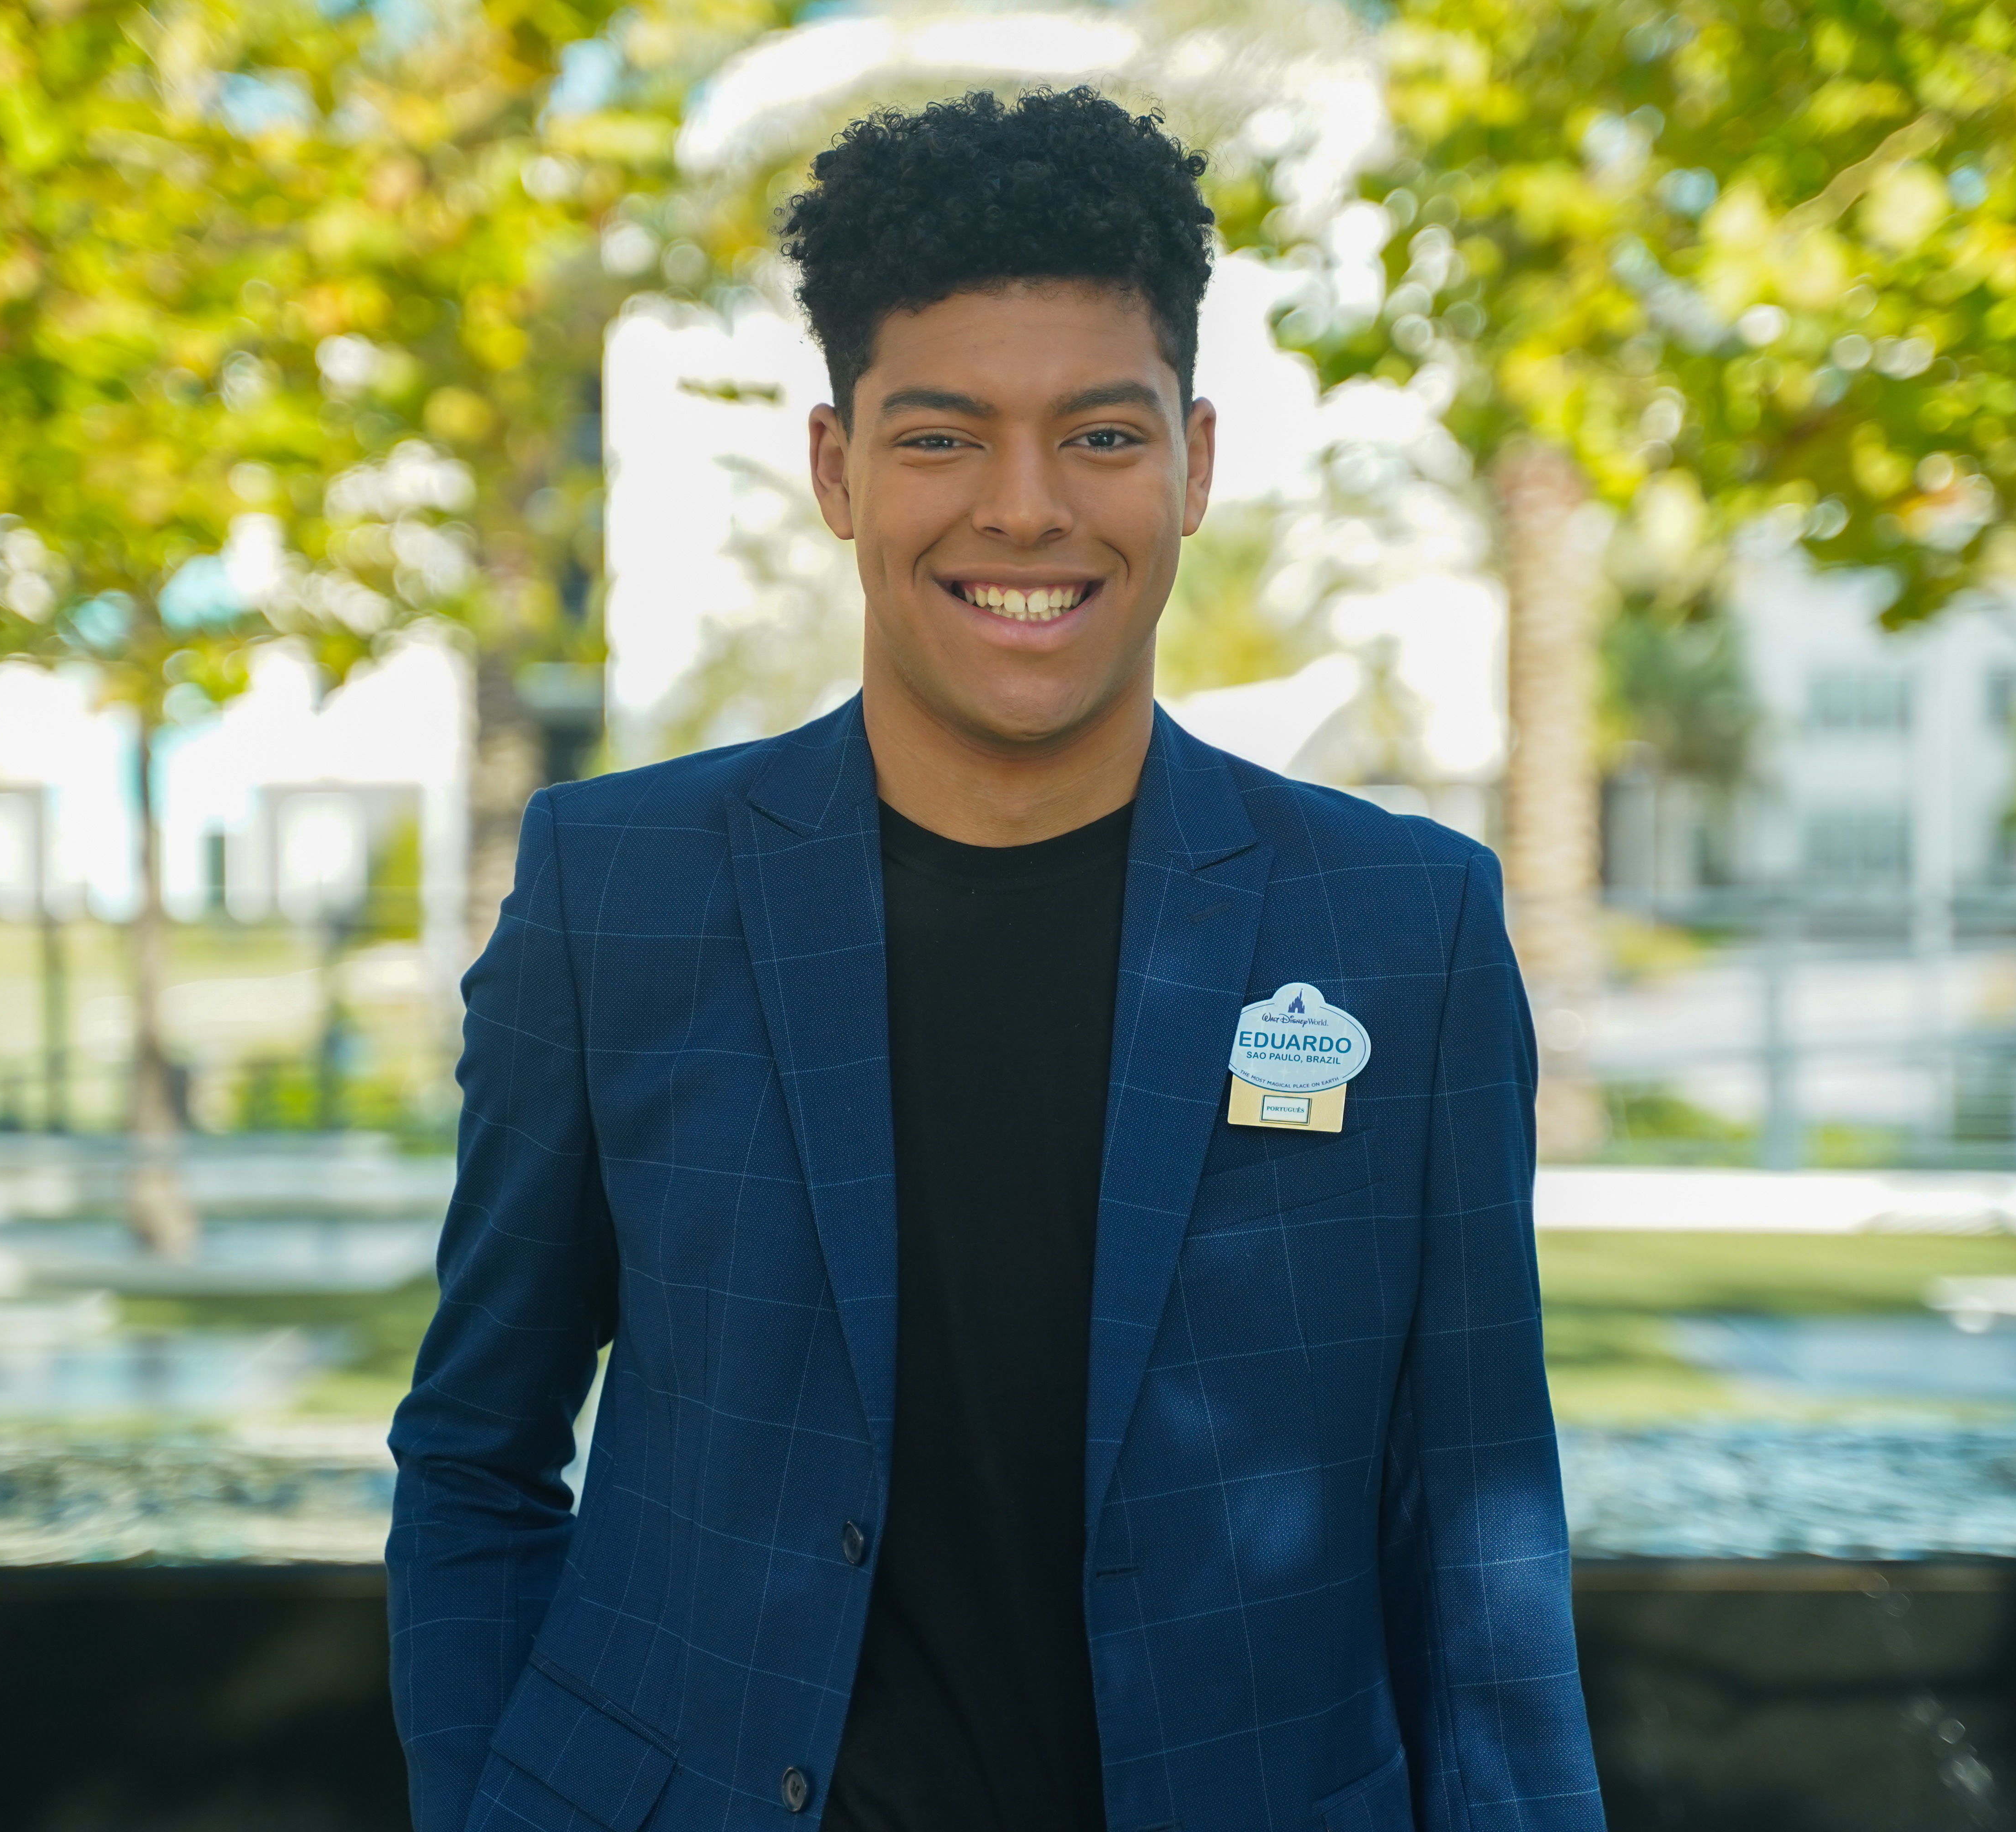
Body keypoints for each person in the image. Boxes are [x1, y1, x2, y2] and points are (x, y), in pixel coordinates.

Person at [387, 87, 1603, 1832]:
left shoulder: (1401, 931)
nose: (1025, 512)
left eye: (1100, 439)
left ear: (1193, 461)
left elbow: (1479, 1532)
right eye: (943, 437)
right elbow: (478, 1456)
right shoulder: (618, 894)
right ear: (838, 469)